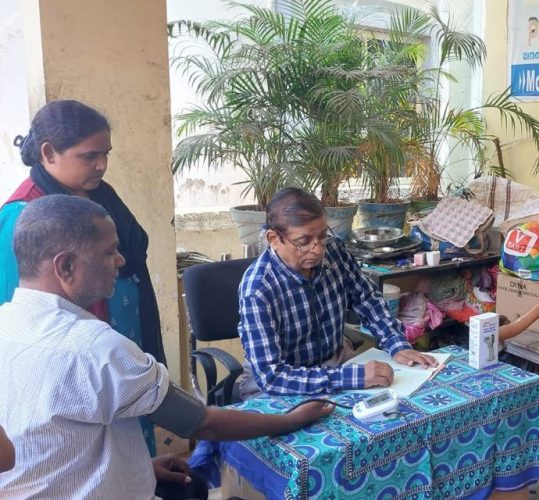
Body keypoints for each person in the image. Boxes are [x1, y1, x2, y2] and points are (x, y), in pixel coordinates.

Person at [0, 195, 333, 498]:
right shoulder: (97, 349)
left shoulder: (6, 323)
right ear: (66, 266)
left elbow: (50, 438)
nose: (120, 260)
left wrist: (139, 465)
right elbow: (201, 421)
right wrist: (290, 421)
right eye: (109, 251)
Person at [0, 100, 165, 451]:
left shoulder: (100, 195)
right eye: (89, 156)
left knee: (129, 447)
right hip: (75, 368)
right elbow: (26, 310)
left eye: (105, 154)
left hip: (118, 345)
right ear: (49, 153)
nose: (102, 165)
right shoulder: (25, 214)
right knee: (91, 454)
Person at [238, 187, 437, 396]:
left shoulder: (333, 251)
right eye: (304, 241)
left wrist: (397, 345)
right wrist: (353, 377)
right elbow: (271, 378)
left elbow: (367, 298)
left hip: (335, 362)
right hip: (282, 383)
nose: (318, 248)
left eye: (322, 235)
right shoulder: (258, 289)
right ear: (273, 239)